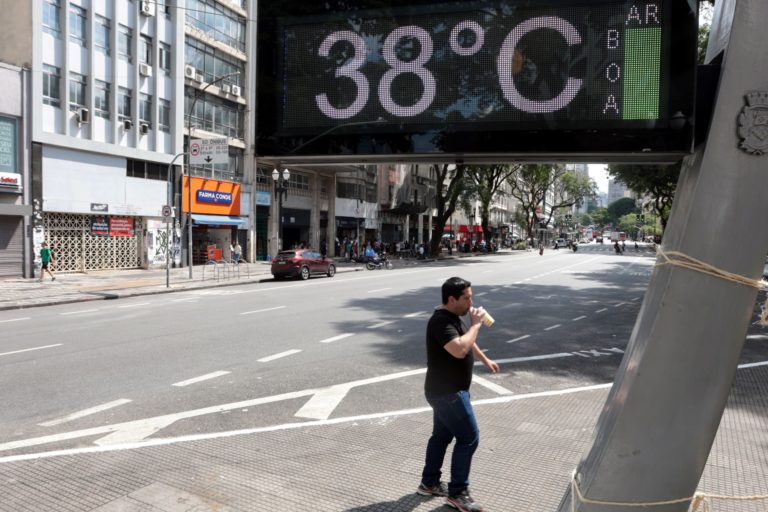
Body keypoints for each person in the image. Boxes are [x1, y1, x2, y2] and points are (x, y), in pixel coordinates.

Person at [417, 277, 499, 512]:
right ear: (451, 299)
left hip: (443, 391)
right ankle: (458, 493)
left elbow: (468, 342)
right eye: (466, 298)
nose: (471, 302)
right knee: (469, 438)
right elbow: (460, 348)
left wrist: (485, 359)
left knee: (441, 437)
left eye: (471, 296)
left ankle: (429, 482)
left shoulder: (454, 318)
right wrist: (476, 324)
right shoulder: (440, 322)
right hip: (448, 394)